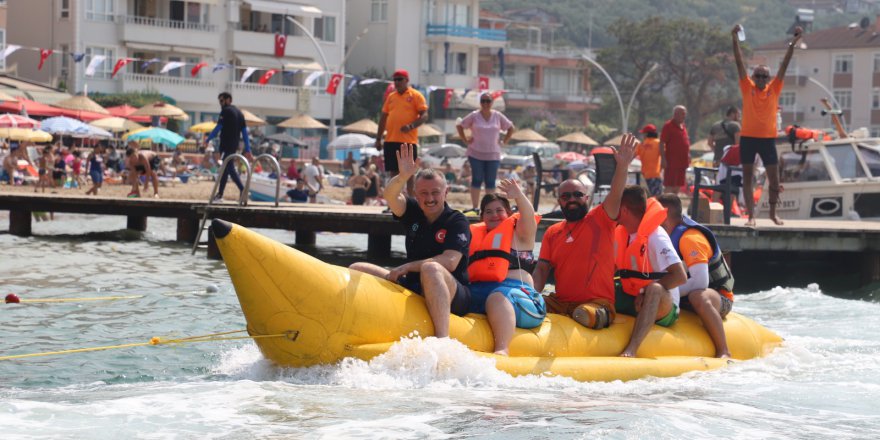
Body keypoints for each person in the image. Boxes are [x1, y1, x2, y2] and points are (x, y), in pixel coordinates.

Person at [349, 144, 471, 338]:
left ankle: (442, 340)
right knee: (357, 267)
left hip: (454, 292)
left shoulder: (456, 220)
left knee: (430, 269)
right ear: (415, 194)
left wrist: (408, 267)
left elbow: (450, 262)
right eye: (423, 193)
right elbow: (390, 196)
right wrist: (403, 176)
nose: (429, 198)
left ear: (445, 193)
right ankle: (354, 326)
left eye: (435, 193)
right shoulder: (413, 211)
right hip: (413, 285)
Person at [532, 133, 639, 330]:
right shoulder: (552, 232)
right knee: (523, 306)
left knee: (583, 314)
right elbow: (541, 269)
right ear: (559, 202)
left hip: (596, 305)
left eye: (577, 195)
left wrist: (622, 167)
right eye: (566, 196)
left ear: (587, 197)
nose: (571, 199)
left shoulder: (601, 219)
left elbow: (615, 193)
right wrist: (530, 296)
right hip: (560, 303)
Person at [732, 24, 802, 226]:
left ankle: (772, 213)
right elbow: (738, 62)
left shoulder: (774, 88)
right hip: (748, 138)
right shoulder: (748, 87)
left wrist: (793, 43)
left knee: (774, 178)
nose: (762, 79)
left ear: (769, 78)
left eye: (765, 76)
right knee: (748, 176)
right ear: (753, 77)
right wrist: (734, 39)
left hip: (767, 139)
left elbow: (785, 64)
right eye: (758, 76)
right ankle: (751, 216)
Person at [467, 179, 544, 355]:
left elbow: (528, 216)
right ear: (482, 217)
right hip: (480, 291)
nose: (494, 215)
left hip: (518, 296)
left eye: (499, 210)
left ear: (509, 213)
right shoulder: (475, 237)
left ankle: (502, 349)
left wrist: (518, 196)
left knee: (497, 297)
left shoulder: (521, 235)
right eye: (488, 212)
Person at [656, 194, 735, 358]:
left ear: (664, 214)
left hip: (717, 297)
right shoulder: (661, 236)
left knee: (698, 296)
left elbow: (701, 282)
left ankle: (723, 351)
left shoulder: (690, 238)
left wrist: (666, 292)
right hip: (682, 295)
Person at [613, 186, 688, 357]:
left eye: (616, 205)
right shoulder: (621, 233)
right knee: (603, 283)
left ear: (623, 210)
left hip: (663, 304)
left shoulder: (656, 235)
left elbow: (680, 276)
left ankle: (632, 349)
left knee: (654, 289)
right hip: (631, 295)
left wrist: (645, 292)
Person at [456, 92, 515, 212]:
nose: (485, 103)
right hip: (475, 152)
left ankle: (490, 206)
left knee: (490, 181)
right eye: (483, 101)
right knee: (477, 179)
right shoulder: (474, 115)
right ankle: (475, 207)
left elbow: (510, 127)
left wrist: (505, 141)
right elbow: (460, 125)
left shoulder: (497, 115)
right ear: (480, 103)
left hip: (493, 154)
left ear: (492, 103)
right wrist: (465, 140)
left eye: (488, 101)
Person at [374, 69, 428, 195]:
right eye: (395, 79)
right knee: (393, 174)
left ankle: (411, 202)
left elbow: (424, 115)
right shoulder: (391, 97)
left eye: (400, 79)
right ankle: (393, 203)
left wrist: (411, 126)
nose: (397, 82)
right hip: (390, 140)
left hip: (408, 141)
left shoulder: (415, 95)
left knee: (409, 174)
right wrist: (378, 138)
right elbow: (383, 118)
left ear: (407, 80)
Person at [204, 92, 252, 202]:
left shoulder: (225, 111)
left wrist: (207, 140)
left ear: (228, 100)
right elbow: (244, 133)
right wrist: (248, 149)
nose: (220, 103)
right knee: (225, 168)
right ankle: (220, 195)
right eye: (219, 101)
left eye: (222, 101)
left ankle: (243, 189)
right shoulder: (240, 113)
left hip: (225, 145)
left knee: (229, 167)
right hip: (234, 145)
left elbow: (218, 128)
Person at [659, 105, 690, 195]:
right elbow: (661, 143)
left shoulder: (683, 127)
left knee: (678, 186)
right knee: (669, 186)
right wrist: (663, 159)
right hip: (672, 162)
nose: (684, 116)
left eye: (685, 114)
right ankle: (666, 205)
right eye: (682, 114)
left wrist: (688, 155)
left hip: (682, 163)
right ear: (675, 114)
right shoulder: (668, 126)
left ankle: (674, 205)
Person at [637, 124, 663, 197]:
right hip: (655, 175)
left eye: (643, 133)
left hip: (644, 176)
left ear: (647, 133)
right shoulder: (658, 143)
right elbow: (665, 156)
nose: (643, 135)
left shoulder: (641, 144)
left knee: (645, 198)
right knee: (656, 198)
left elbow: (633, 155)